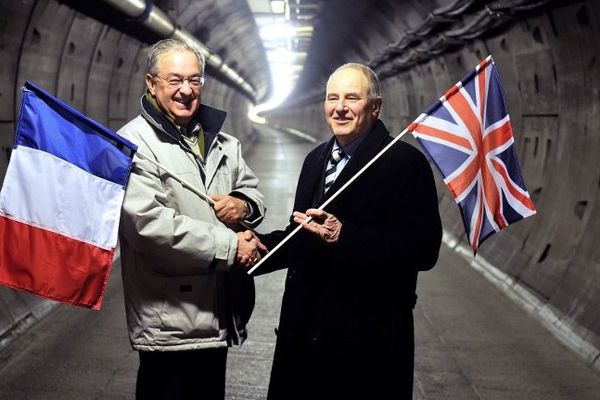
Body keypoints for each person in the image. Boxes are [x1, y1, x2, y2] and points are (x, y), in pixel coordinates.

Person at [253, 63, 442, 399]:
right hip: (303, 335)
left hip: (365, 344)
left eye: (352, 98)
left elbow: (423, 248)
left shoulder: (404, 164)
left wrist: (346, 236)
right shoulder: (316, 159)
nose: (339, 107)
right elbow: (303, 235)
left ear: (375, 106)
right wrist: (256, 247)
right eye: (332, 98)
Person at [117, 39, 266, 400]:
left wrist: (242, 206)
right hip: (170, 320)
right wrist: (233, 245)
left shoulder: (222, 142)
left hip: (217, 314)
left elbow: (253, 190)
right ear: (151, 84)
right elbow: (148, 226)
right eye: (175, 80)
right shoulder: (133, 143)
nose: (187, 90)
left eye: (195, 80)